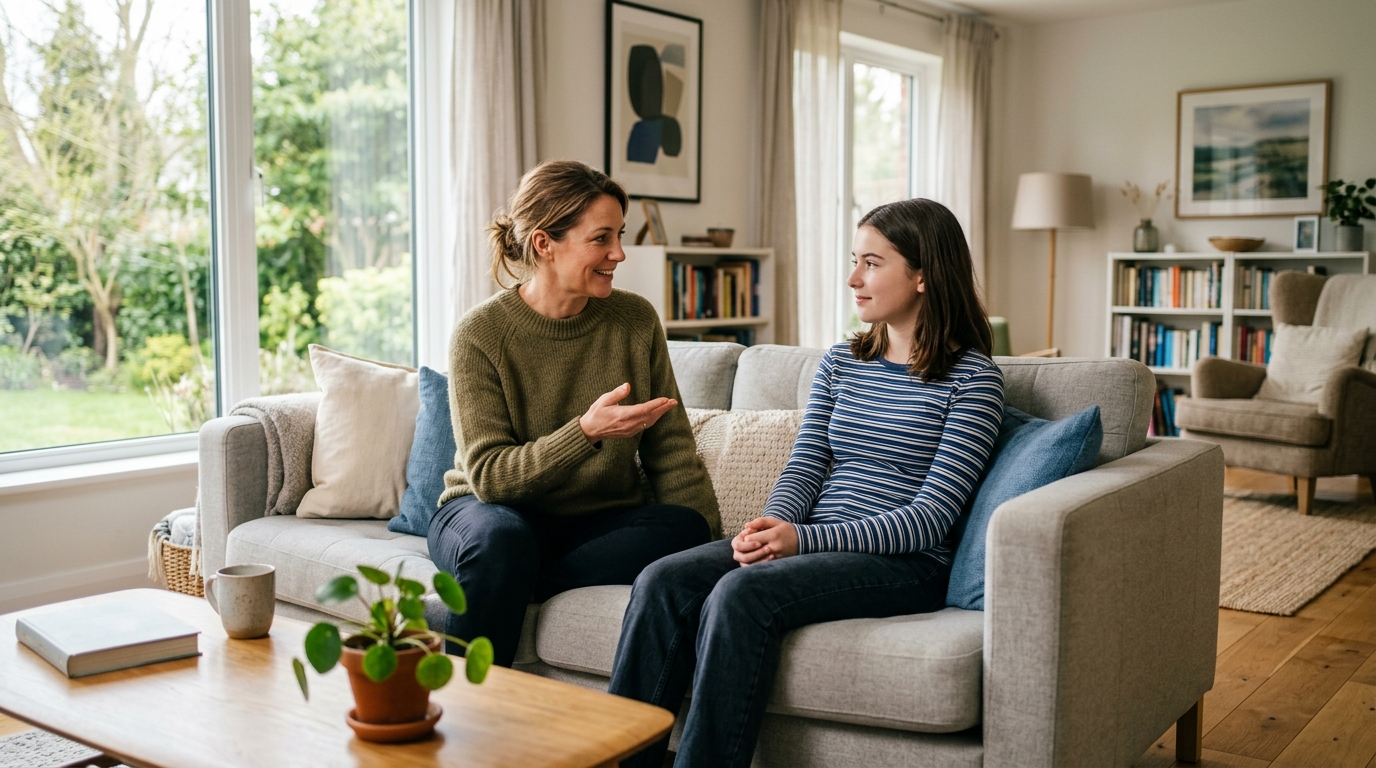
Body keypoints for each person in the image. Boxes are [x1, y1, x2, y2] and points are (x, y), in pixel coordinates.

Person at [608, 198, 1005, 768]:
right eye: (854, 260)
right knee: (662, 580)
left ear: (922, 275)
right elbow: (806, 465)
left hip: (905, 561)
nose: (853, 279)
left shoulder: (972, 380)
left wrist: (803, 542)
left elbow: (932, 517)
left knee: (742, 594)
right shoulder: (842, 360)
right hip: (810, 535)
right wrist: (769, 527)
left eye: (872, 263)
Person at [429, 160, 718, 668]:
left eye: (619, 235)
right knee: (502, 541)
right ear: (545, 244)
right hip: (486, 513)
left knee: (685, 530)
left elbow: (671, 449)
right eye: (601, 239)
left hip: (594, 525)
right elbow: (492, 477)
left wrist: (714, 554)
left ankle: (514, 576)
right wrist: (585, 432)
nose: (618, 254)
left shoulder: (634, 320)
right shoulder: (480, 334)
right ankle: (468, 711)